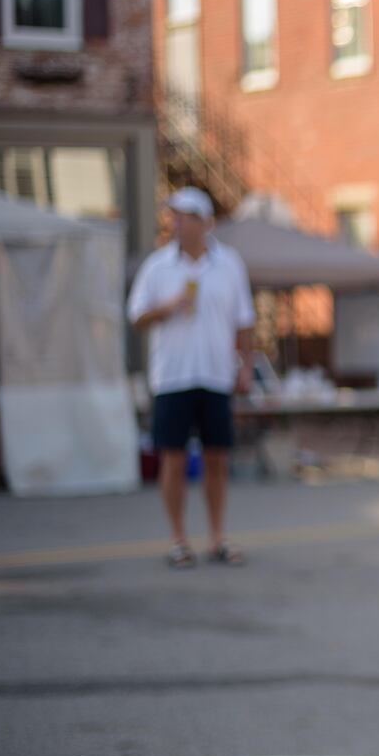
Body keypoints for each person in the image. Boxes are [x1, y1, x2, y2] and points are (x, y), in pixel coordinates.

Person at [126, 187, 254, 569]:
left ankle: (217, 537)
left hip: (214, 375)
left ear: (204, 222)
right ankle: (178, 539)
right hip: (172, 377)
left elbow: (244, 321)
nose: (175, 222)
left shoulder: (230, 264)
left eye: (183, 216)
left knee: (217, 457)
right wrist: (167, 307)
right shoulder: (158, 266)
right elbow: (136, 317)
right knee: (173, 458)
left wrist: (244, 366)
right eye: (173, 216)